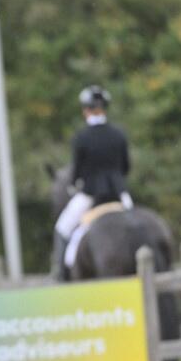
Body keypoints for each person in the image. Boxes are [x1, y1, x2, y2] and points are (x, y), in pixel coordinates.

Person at [52, 85, 133, 280]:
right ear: (104, 108)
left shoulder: (81, 137)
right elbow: (125, 167)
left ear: (85, 110)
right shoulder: (119, 134)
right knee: (134, 221)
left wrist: (74, 185)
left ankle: (61, 275)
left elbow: (77, 172)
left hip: (90, 194)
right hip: (119, 194)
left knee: (62, 227)